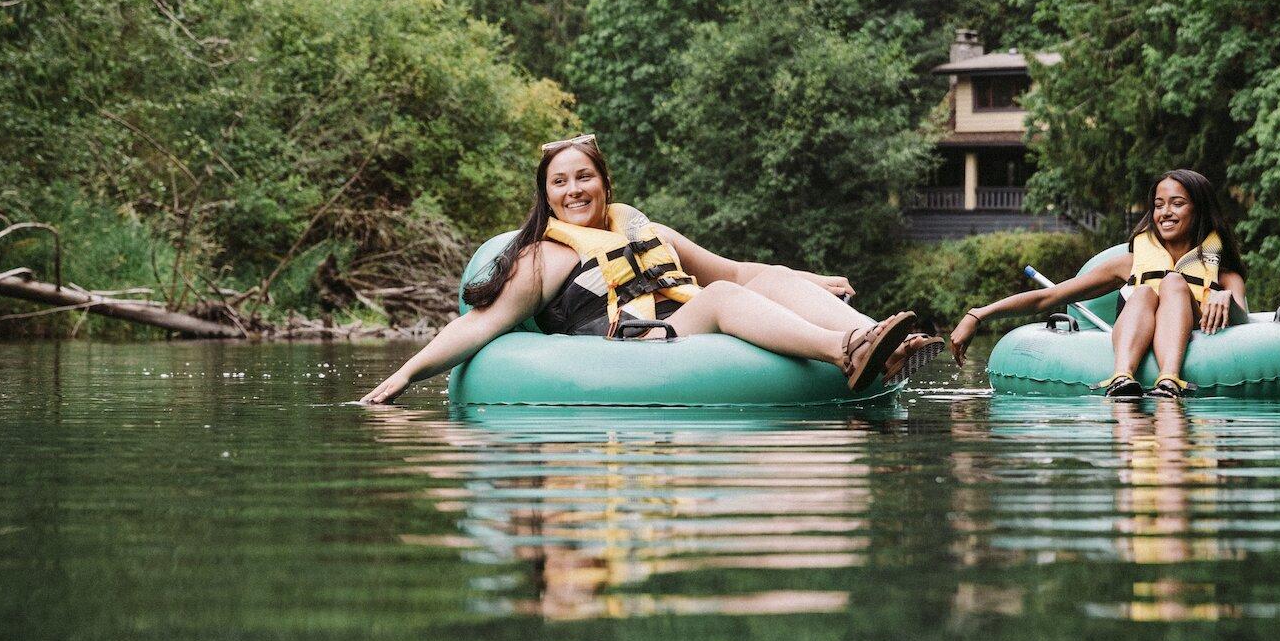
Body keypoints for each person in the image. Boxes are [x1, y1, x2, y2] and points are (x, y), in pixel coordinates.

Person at [361, 133, 939, 402]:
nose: (573, 190)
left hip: (680, 321)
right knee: (715, 300)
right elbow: (478, 325)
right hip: (635, 344)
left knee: (770, 278)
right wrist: (406, 374)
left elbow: (736, 271)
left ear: (605, 184)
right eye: (558, 182)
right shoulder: (542, 257)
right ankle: (845, 350)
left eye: (583, 177)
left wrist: (806, 280)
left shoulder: (648, 232)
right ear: (546, 196)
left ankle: (876, 343)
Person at [945, 168, 1249, 399]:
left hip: (1194, 344)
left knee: (1173, 284)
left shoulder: (1223, 273)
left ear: (1199, 209)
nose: (1165, 212)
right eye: (1158, 204)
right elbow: (1047, 298)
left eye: (1177, 203)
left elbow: (1243, 322)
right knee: (1143, 292)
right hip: (1133, 333)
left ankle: (1169, 380)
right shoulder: (1130, 263)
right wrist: (978, 315)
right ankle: (1121, 378)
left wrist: (1226, 299)